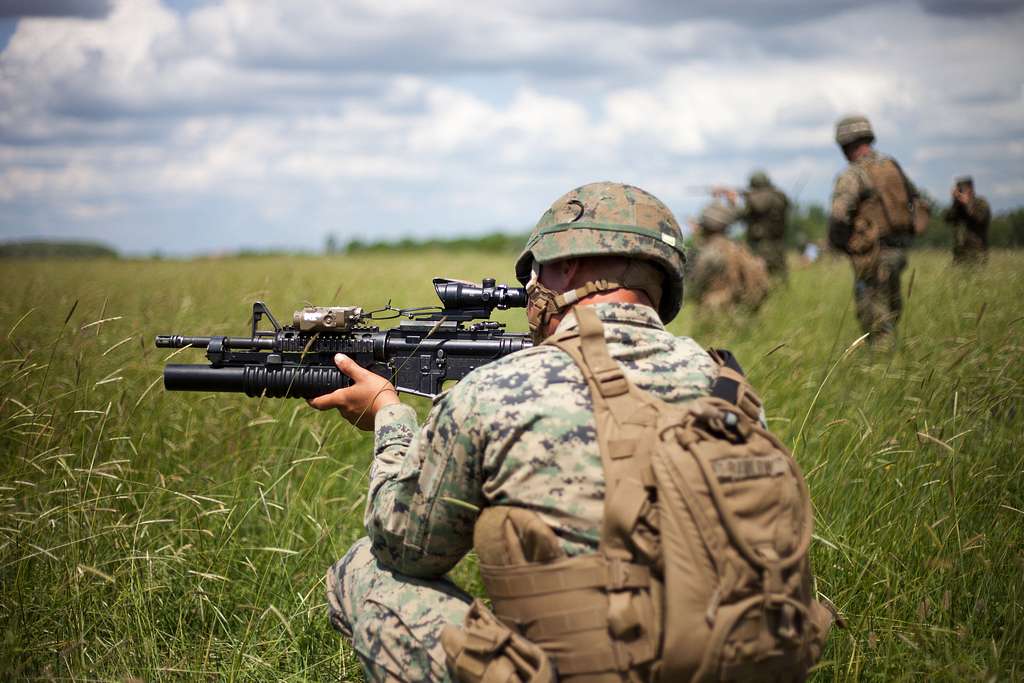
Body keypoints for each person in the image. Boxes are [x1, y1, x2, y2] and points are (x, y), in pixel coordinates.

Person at [309, 182, 828, 681]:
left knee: (367, 571)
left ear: (568, 264)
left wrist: (389, 415)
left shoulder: (495, 389)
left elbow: (403, 546)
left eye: (538, 272)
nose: (532, 287)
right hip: (721, 660)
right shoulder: (729, 388)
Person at [828, 114, 921, 345]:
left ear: (845, 144)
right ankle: (891, 358)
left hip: (872, 256)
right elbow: (916, 200)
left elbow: (839, 214)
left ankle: (883, 368)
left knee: (874, 319)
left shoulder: (853, 174)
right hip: (898, 251)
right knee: (890, 309)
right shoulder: (891, 167)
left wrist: (842, 243)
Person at [688, 201, 770, 313]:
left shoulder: (709, 253)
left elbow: (694, 289)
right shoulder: (739, 248)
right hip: (742, 313)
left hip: (715, 315)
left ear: (705, 227)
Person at [717, 170, 790, 280]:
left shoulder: (756, 200)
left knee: (759, 277)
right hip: (778, 242)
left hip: (759, 245)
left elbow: (740, 215)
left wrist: (732, 202)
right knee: (779, 275)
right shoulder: (779, 196)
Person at [943, 176, 991, 264]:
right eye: (959, 191)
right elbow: (947, 219)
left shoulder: (980, 203)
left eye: (962, 190)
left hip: (977, 252)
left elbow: (980, 219)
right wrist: (954, 202)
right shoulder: (958, 206)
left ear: (971, 190)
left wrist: (967, 204)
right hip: (959, 253)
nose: (960, 193)